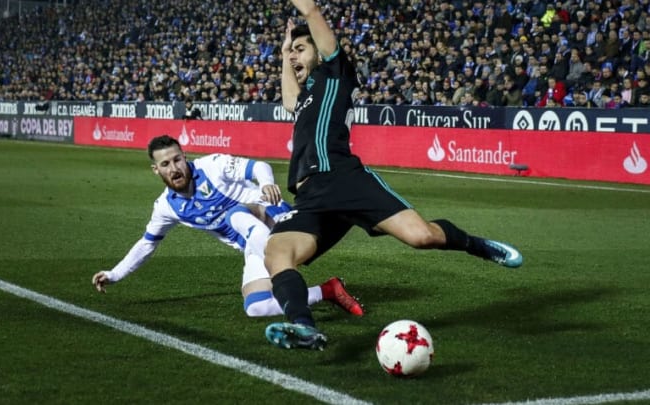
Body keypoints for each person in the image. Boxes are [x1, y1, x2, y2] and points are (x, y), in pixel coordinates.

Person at [263, 0, 523, 351]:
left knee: (422, 237)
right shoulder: (308, 95)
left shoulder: (336, 75)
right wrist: (283, 55)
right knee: (277, 254)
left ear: (318, 51)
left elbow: (315, 20)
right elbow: (290, 101)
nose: (294, 56)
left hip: (343, 178)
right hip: (311, 196)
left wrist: (309, 10)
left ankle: (478, 245)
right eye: (291, 51)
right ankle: (303, 328)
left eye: (300, 48)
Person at [91, 135, 363, 318]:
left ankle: (291, 261)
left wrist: (267, 183)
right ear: (156, 170)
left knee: (233, 214)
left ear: (184, 157)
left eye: (177, 159)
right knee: (256, 307)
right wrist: (114, 274)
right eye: (165, 164)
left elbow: (258, 167)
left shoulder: (212, 166)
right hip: (255, 244)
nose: (174, 168)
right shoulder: (166, 206)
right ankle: (328, 290)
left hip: (276, 221)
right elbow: (147, 243)